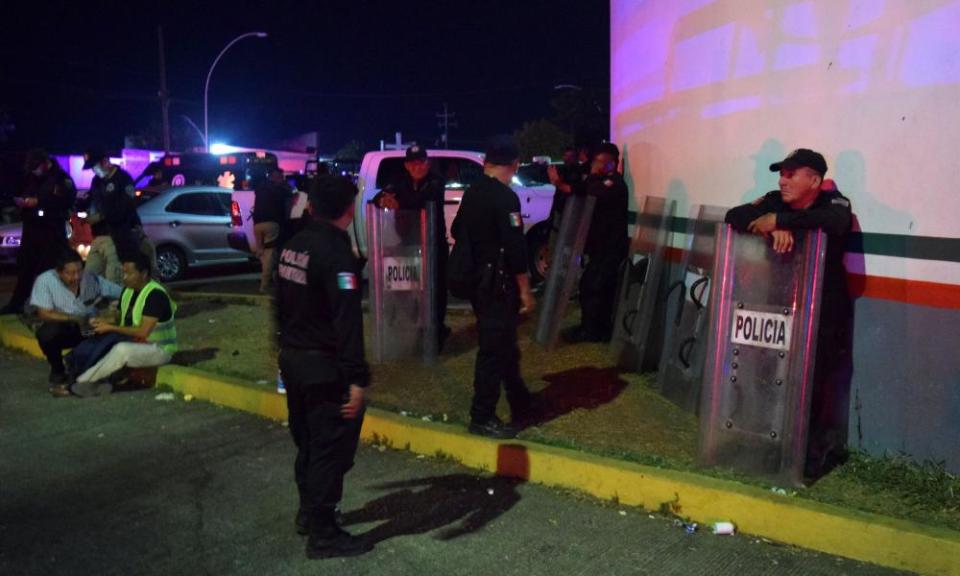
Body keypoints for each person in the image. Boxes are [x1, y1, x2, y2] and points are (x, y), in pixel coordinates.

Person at [724, 148, 853, 478]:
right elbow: (734, 214)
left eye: (790, 174)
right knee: (771, 377)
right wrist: (767, 227)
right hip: (781, 307)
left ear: (814, 180)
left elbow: (836, 223)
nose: (782, 180)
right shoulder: (774, 201)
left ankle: (803, 459)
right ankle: (770, 449)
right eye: (781, 173)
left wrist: (781, 221)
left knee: (810, 383)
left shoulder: (834, 203)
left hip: (823, 313)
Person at [275, 176, 372, 559]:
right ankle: (324, 532)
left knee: (310, 444)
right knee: (331, 451)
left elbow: (278, 305)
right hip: (323, 368)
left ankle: (308, 513)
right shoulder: (336, 254)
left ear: (312, 206)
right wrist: (357, 379)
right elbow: (347, 323)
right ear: (349, 210)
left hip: (295, 361)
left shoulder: (292, 245)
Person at [451, 136, 536, 440]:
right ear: (514, 165)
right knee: (493, 348)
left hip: (476, 280)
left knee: (502, 344)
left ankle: (519, 400)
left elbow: (455, 229)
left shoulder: (472, 193)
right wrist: (525, 290)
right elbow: (516, 249)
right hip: (497, 285)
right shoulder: (505, 198)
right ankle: (482, 415)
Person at [549, 142, 629, 342]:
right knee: (593, 287)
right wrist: (561, 185)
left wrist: (592, 174)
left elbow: (593, 190)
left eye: (604, 162)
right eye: (597, 161)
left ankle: (593, 331)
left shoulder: (614, 183)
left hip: (611, 248)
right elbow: (580, 189)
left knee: (593, 287)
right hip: (599, 247)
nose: (599, 166)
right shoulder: (600, 181)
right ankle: (592, 328)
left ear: (613, 164)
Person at [371, 145, 450, 347]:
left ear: (428, 163)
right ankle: (416, 330)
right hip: (408, 244)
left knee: (436, 289)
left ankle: (437, 333)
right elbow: (377, 198)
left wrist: (399, 202)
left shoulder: (436, 180)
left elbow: (426, 199)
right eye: (413, 163)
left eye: (421, 162)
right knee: (412, 289)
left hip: (434, 245)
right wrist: (385, 199)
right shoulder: (400, 182)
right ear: (406, 165)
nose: (418, 167)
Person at [27, 250, 123, 395]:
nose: (77, 277)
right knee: (46, 333)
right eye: (70, 273)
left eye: (79, 271)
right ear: (59, 273)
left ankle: (84, 372)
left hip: (89, 328)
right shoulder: (45, 281)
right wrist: (74, 318)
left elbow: (121, 292)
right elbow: (44, 313)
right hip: (65, 329)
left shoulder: (91, 279)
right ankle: (58, 371)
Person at [82, 252, 178, 389]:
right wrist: (101, 321)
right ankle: (84, 375)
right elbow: (121, 320)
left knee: (122, 349)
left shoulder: (155, 295)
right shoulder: (128, 292)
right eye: (123, 273)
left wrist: (111, 328)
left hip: (160, 349)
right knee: (97, 339)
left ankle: (85, 382)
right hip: (136, 343)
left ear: (143, 274)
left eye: (129, 274)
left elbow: (143, 332)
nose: (124, 278)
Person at [1, 150, 76, 315]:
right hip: (32, 229)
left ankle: (48, 306)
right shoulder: (31, 178)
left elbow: (67, 201)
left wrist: (40, 202)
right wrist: (22, 201)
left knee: (48, 270)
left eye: (36, 167)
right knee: (26, 269)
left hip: (51, 231)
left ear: (44, 162)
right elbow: (20, 192)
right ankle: (17, 304)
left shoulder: (60, 179)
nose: (35, 171)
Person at [82, 148, 156, 271]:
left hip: (120, 236)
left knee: (115, 277)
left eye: (95, 166)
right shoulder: (96, 181)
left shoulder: (123, 179)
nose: (94, 170)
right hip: (99, 236)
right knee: (90, 278)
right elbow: (92, 199)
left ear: (105, 162)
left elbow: (125, 208)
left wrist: (101, 216)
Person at [252, 166, 292, 292]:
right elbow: (290, 193)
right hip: (271, 224)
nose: (282, 178)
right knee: (270, 254)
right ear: (278, 177)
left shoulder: (260, 188)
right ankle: (264, 285)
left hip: (257, 224)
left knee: (261, 252)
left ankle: (271, 276)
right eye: (281, 176)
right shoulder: (279, 188)